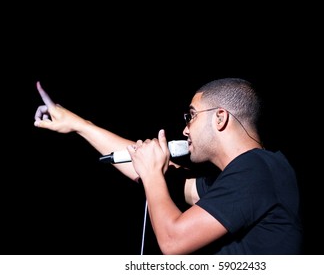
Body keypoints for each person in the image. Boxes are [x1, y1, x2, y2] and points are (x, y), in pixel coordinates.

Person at [33, 78, 302, 255]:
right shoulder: (244, 177)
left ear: (220, 118)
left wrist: (151, 174)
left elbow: (174, 241)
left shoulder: (256, 168)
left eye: (191, 116)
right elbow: (161, 178)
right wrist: (80, 126)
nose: (185, 129)